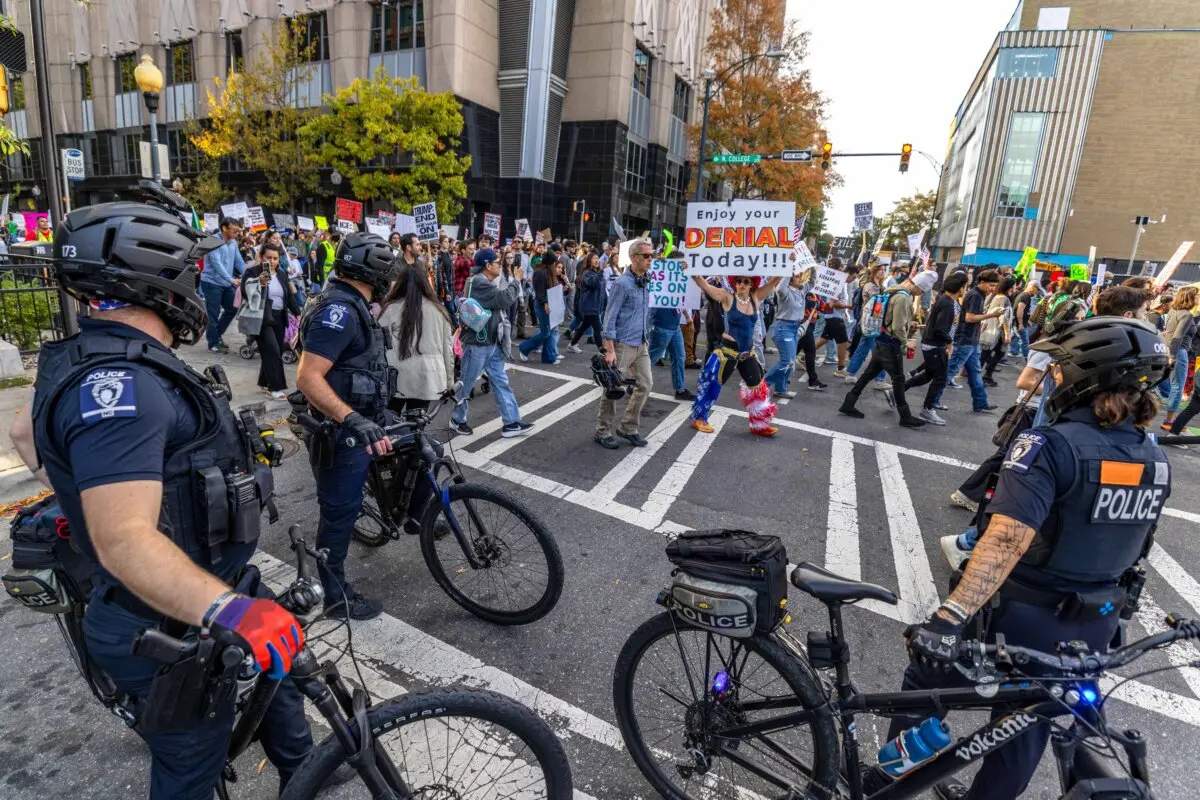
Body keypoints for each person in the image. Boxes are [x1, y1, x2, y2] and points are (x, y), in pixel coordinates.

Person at [11, 202, 313, 796]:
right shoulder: (123, 386)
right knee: (190, 769)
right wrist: (228, 610)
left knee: (284, 690)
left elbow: (24, 435)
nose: (196, 284)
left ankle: (304, 772)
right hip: (166, 625)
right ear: (157, 280)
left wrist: (87, 488)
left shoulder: (91, 354)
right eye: (187, 272)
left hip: (205, 586)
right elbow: (125, 538)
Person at [889, 316, 1170, 800]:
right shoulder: (1152, 456)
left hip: (1023, 616)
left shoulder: (1047, 445)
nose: (1053, 375)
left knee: (925, 680)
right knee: (1025, 727)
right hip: (1094, 624)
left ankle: (891, 780)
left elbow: (1005, 540)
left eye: (1060, 367)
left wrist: (950, 616)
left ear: (1086, 376)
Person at [942, 284, 1152, 556]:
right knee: (1022, 498)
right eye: (1144, 312)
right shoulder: (1077, 347)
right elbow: (1033, 388)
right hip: (1048, 433)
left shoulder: (1112, 351)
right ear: (1128, 315)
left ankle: (973, 537)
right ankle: (970, 540)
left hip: (1065, 441)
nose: (1148, 319)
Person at [296, 232, 400, 621]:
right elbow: (308, 378)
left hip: (368, 419)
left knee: (423, 453)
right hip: (341, 432)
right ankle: (335, 594)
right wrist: (351, 418)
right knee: (340, 512)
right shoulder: (338, 310)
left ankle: (415, 517)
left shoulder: (354, 303)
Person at [449, 248, 534, 438]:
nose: (500, 265)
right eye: (497, 263)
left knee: (500, 381)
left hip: (490, 341)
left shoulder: (483, 281)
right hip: (478, 343)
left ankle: (511, 422)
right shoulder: (479, 282)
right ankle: (457, 418)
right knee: (467, 382)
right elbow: (504, 300)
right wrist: (516, 280)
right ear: (487, 266)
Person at [838, 270, 937, 428]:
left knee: (867, 375)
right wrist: (906, 343)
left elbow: (891, 318)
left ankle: (848, 404)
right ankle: (905, 416)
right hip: (891, 343)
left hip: (881, 339)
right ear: (919, 287)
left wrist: (906, 324)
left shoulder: (893, 290)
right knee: (898, 379)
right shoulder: (903, 298)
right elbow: (898, 327)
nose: (920, 294)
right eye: (922, 291)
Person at [689, 272, 783, 437]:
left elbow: (775, 280)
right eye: (738, 281)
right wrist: (694, 273)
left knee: (757, 388)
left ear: (751, 284)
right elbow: (705, 285)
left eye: (745, 282)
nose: (741, 284)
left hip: (747, 353)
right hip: (727, 352)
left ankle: (759, 424)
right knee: (712, 385)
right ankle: (699, 418)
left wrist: (787, 263)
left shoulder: (755, 298)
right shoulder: (727, 297)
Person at [596, 238, 655, 449]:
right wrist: (609, 349)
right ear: (633, 258)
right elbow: (609, 318)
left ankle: (628, 427)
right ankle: (602, 430)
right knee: (612, 388)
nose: (651, 259)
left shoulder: (646, 280)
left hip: (641, 343)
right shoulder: (622, 284)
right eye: (646, 256)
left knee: (646, 384)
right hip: (622, 344)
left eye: (652, 256)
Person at [378, 262, 454, 416]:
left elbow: (379, 345)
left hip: (397, 376)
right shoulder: (439, 310)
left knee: (390, 421)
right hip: (429, 375)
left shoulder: (391, 309)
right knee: (416, 424)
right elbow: (448, 349)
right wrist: (449, 381)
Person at [905, 271, 968, 425]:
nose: (965, 289)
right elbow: (940, 329)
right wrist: (949, 342)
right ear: (960, 288)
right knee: (940, 379)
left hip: (933, 344)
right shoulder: (947, 303)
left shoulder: (946, 300)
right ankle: (927, 409)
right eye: (965, 286)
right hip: (935, 345)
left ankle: (896, 391)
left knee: (928, 375)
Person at [938, 268, 1004, 412]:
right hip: (965, 340)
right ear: (982, 282)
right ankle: (934, 399)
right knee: (951, 370)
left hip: (971, 340)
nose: (993, 289)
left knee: (975, 372)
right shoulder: (975, 295)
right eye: (991, 285)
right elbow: (969, 317)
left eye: (995, 286)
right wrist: (990, 316)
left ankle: (980, 402)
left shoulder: (979, 294)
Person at [241, 243, 302, 400]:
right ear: (261, 257)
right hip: (261, 317)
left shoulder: (281, 274)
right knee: (273, 351)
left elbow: (288, 297)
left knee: (275, 351)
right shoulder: (253, 272)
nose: (273, 261)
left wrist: (298, 313)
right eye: (269, 257)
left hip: (279, 317)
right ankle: (274, 388)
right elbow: (244, 292)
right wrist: (258, 283)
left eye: (275, 258)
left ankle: (264, 380)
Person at [764, 269, 824, 399]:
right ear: (790, 279)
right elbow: (780, 287)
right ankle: (761, 386)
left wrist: (813, 267)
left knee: (788, 363)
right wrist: (787, 269)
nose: (800, 277)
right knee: (787, 361)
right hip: (783, 328)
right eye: (797, 276)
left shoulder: (801, 291)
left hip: (794, 329)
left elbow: (813, 281)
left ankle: (780, 389)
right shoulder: (784, 291)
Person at [201, 215, 245, 353]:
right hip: (211, 282)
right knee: (213, 314)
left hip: (226, 284)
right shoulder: (213, 241)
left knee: (232, 308)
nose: (237, 234)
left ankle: (217, 335)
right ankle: (213, 343)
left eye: (238, 231)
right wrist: (231, 280)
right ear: (224, 228)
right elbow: (217, 264)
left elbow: (238, 261)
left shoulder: (233, 243)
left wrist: (249, 275)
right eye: (234, 231)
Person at [1161, 286, 1197, 431]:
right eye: (1197, 295)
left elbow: (1170, 333)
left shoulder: (1174, 310)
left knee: (1170, 384)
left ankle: (1169, 419)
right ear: (1190, 297)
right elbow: (1178, 336)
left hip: (1167, 349)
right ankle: (1170, 421)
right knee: (1177, 386)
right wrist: (1173, 356)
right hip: (1178, 352)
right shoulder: (1186, 315)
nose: (1199, 298)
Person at [518, 252, 563, 364]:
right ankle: (524, 348)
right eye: (554, 262)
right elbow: (540, 293)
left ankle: (548, 357)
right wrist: (545, 304)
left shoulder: (546, 272)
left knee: (549, 331)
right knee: (546, 332)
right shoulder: (540, 273)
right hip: (543, 305)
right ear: (550, 263)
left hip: (548, 304)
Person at [814, 264, 857, 377]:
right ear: (848, 274)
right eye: (853, 277)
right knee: (843, 342)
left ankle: (805, 357)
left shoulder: (843, 284)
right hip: (834, 317)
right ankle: (840, 368)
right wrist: (848, 307)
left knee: (824, 339)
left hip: (833, 317)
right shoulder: (839, 284)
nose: (854, 279)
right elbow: (834, 303)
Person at [649, 306, 696, 401]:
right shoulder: (659, 291)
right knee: (651, 358)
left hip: (674, 326)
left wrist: (686, 315)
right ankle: (635, 382)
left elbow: (679, 300)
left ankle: (680, 390)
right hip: (661, 326)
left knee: (679, 357)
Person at [981, 276, 1017, 387]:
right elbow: (1004, 318)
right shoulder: (1004, 299)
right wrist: (1007, 334)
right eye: (1014, 285)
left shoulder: (996, 296)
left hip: (992, 330)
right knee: (996, 353)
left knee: (988, 353)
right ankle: (985, 376)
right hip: (998, 332)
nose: (1015, 287)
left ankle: (982, 375)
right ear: (1009, 286)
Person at [568, 250, 606, 353]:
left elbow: (602, 290)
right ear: (589, 261)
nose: (597, 261)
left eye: (598, 259)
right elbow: (593, 284)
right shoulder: (587, 273)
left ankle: (572, 344)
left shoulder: (596, 273)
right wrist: (601, 272)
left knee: (584, 325)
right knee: (598, 328)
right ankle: (601, 349)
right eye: (595, 259)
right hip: (589, 305)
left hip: (596, 305)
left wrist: (604, 303)